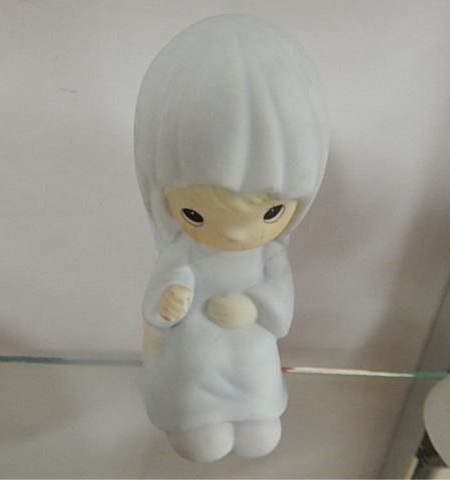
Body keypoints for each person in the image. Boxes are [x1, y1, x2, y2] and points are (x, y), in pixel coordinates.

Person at [134, 14, 329, 462]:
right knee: (203, 443)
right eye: (197, 214)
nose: (237, 232)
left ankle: (252, 413)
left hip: (251, 364)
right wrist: (167, 303)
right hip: (193, 370)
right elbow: (157, 306)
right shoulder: (182, 252)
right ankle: (192, 417)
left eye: (270, 212)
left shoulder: (271, 257)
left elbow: (281, 306)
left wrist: (255, 307)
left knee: (261, 437)